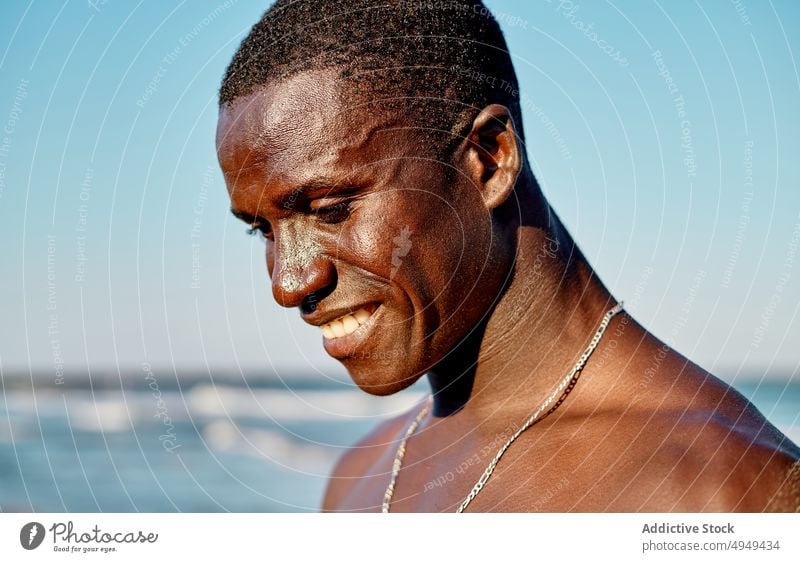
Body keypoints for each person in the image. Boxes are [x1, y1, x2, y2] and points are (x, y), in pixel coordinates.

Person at [215, 0, 800, 512]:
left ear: (488, 162)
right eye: (261, 229)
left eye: (330, 209)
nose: (290, 283)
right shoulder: (358, 480)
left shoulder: (728, 491)